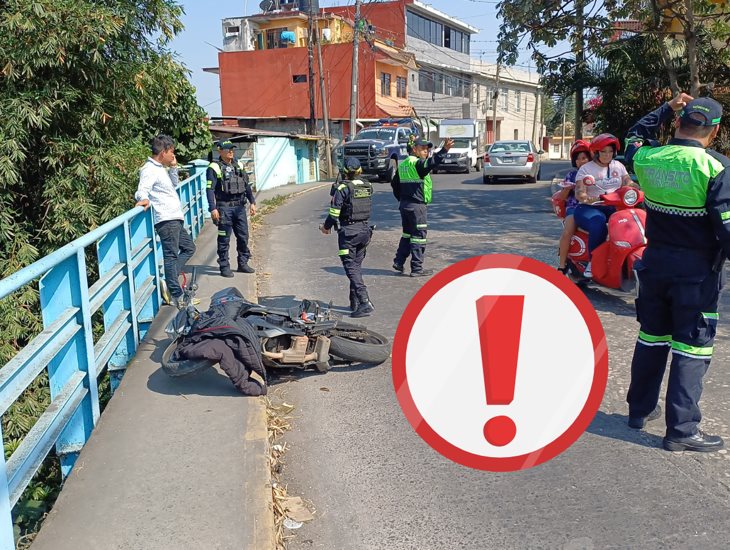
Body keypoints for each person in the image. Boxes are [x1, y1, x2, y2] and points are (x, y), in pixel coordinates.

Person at [624, 93, 730, 452]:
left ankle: (638, 410)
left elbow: (634, 137)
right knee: (692, 346)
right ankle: (682, 431)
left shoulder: (648, 157)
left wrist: (664, 109)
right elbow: (727, 227)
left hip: (654, 264)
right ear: (713, 131)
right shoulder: (716, 167)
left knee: (652, 336)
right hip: (696, 273)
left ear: (681, 121)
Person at [135, 134, 195, 308]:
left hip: (174, 217)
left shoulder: (160, 168)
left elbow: (173, 185)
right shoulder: (149, 169)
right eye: (172, 152)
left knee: (189, 248)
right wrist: (143, 198)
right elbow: (142, 189)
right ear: (163, 152)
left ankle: (171, 281)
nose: (173, 155)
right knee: (170, 256)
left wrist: (174, 167)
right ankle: (176, 294)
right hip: (166, 219)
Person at [573, 133, 636, 278]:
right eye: (603, 151)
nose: (607, 155)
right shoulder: (586, 170)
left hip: (614, 206)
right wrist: (589, 198)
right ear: (596, 152)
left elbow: (627, 182)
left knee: (633, 220)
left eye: (610, 151)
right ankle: (593, 262)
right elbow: (579, 192)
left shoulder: (618, 166)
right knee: (598, 221)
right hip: (590, 208)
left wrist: (637, 188)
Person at [320, 157, 375, 318]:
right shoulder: (368, 186)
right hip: (365, 231)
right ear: (360, 171)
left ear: (344, 171)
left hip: (349, 233)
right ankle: (355, 302)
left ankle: (364, 301)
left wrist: (326, 227)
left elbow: (334, 213)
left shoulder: (343, 188)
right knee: (356, 268)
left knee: (351, 268)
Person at [392, 136, 454, 276]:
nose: (426, 152)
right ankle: (417, 269)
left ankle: (399, 262)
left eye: (427, 149)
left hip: (405, 205)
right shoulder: (418, 164)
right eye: (422, 149)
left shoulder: (403, 165)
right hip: (417, 207)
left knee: (407, 235)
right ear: (414, 150)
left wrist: (402, 199)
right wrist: (444, 150)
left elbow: (394, 184)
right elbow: (432, 163)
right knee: (418, 237)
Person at [207, 140, 257, 278]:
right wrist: (213, 208)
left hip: (240, 207)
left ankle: (243, 263)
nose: (231, 151)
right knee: (224, 239)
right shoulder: (214, 167)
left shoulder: (238, 164)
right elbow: (210, 189)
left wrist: (252, 202)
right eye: (228, 149)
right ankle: (224, 266)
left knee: (243, 236)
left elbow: (246, 185)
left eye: (232, 149)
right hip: (224, 208)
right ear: (220, 150)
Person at [557, 140, 592, 275]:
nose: (581, 161)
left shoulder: (596, 173)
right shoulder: (571, 175)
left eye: (584, 158)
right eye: (578, 159)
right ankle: (562, 264)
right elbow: (563, 197)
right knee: (567, 232)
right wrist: (567, 188)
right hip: (574, 208)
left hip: (595, 207)